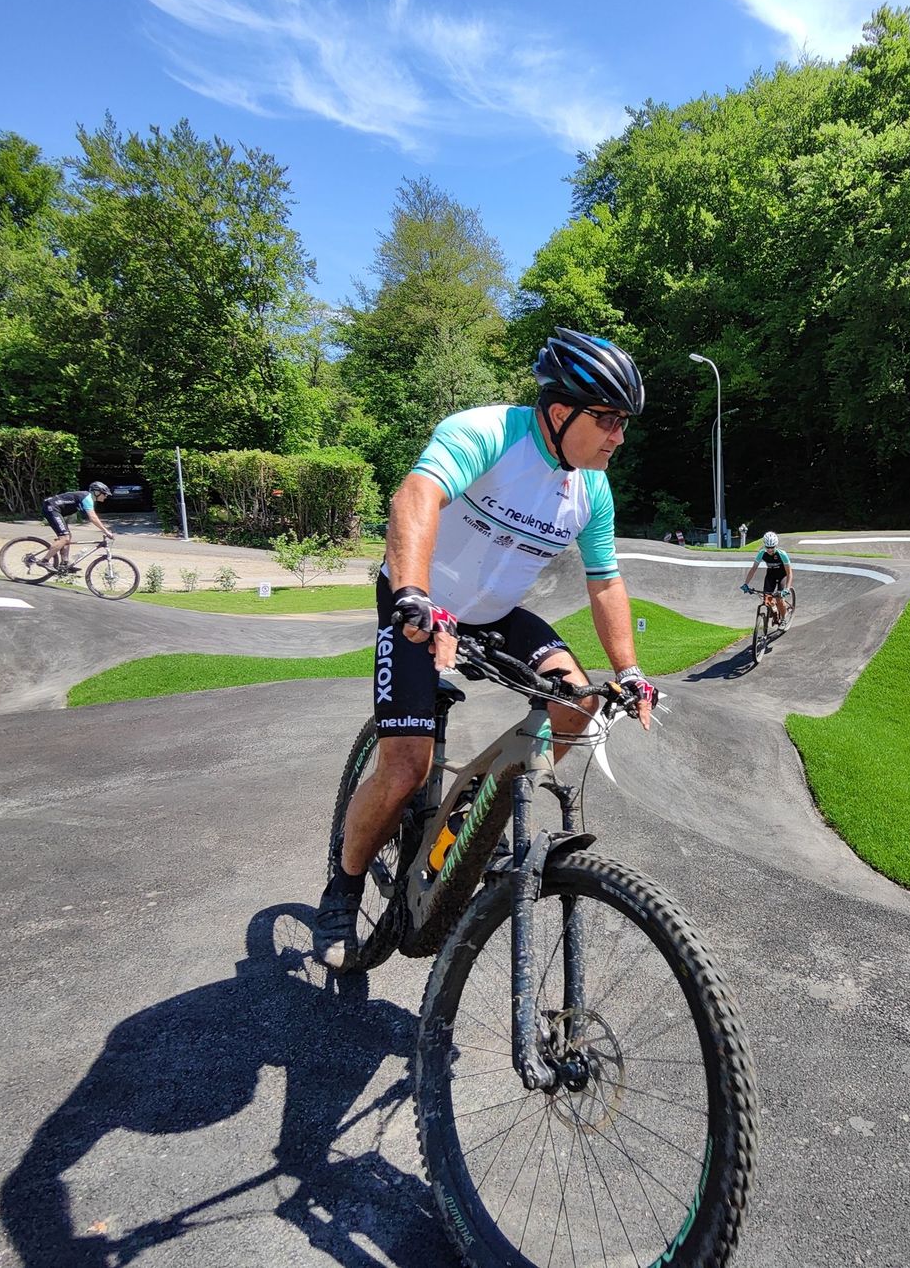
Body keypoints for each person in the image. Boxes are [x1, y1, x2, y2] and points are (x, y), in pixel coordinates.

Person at [314, 327, 658, 970]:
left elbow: (605, 579)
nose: (619, 436)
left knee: (579, 704)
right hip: (421, 604)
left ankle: (474, 820)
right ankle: (345, 886)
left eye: (623, 423)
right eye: (609, 420)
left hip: (495, 616)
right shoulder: (489, 433)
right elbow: (416, 496)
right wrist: (412, 594)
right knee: (405, 769)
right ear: (561, 413)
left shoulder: (592, 488)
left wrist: (630, 669)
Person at [40, 482, 115, 570]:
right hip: (51, 508)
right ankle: (44, 561)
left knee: (67, 537)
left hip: (56, 510)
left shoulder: (87, 498)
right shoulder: (87, 498)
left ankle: (64, 564)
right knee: (65, 538)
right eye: (105, 494)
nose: (106, 496)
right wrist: (106, 531)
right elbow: (93, 517)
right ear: (97, 492)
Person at [740, 530, 793, 625]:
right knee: (767, 600)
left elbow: (789, 573)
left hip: (782, 575)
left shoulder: (782, 554)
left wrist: (787, 588)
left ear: (776, 545)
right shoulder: (762, 553)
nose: (770, 550)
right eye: (767, 547)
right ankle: (775, 611)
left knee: (779, 599)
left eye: (772, 547)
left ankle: (783, 619)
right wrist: (746, 584)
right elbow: (753, 569)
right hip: (770, 575)